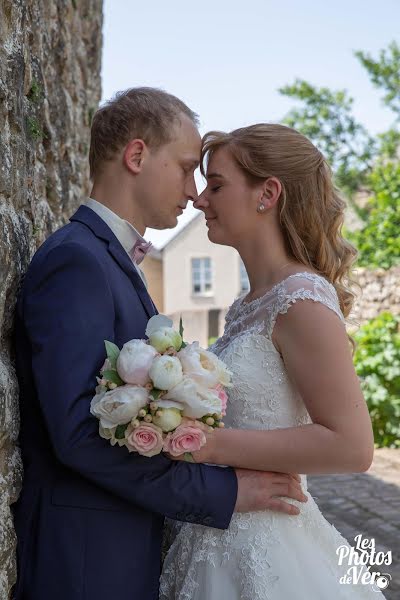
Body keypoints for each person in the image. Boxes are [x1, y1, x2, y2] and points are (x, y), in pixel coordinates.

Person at [12, 90, 307, 600]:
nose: (194, 193)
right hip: (84, 559)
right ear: (136, 156)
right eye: (187, 168)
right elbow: (79, 434)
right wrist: (226, 491)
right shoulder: (77, 262)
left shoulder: (110, 261)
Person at [160, 124, 386, 599]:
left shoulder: (301, 299)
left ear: (268, 193)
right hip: (216, 533)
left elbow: (351, 446)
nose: (200, 200)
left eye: (217, 185)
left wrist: (208, 446)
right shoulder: (247, 305)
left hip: (270, 542)